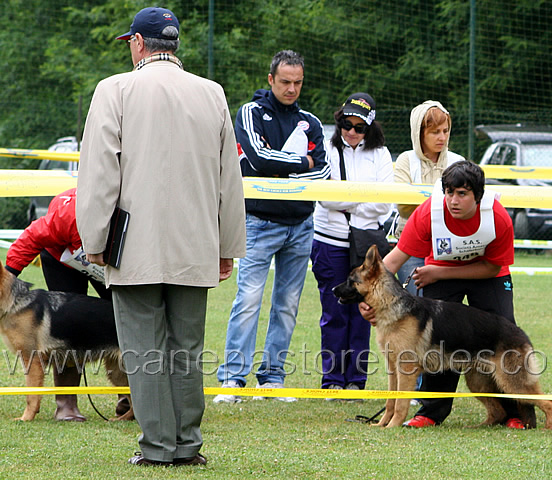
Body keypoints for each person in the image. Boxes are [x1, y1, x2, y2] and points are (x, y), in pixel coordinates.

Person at [76, 7, 246, 466]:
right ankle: (188, 446)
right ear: (172, 44)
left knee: (144, 350)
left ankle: (157, 448)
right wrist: (228, 246)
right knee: (186, 349)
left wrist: (93, 239)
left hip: (133, 247)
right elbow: (229, 178)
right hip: (196, 246)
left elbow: (98, 175)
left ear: (137, 43)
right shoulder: (211, 93)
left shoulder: (114, 90)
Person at [360, 161, 527, 429]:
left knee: (501, 332)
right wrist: (367, 298)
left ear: (478, 196)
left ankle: (514, 412)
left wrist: (439, 273)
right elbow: (392, 261)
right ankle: (431, 411)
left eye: (462, 193)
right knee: (437, 337)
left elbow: (492, 266)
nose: (453, 200)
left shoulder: (498, 218)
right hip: (438, 271)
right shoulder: (428, 213)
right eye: (449, 192)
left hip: (486, 275)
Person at [213, 50, 330, 404]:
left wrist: (280, 168)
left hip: (301, 224)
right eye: (285, 82)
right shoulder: (250, 112)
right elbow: (257, 158)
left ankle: (273, 378)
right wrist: (300, 162)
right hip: (258, 222)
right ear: (270, 80)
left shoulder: (312, 121)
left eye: (297, 82)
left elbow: (322, 170)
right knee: (248, 300)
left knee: (288, 305)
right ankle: (232, 379)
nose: (291, 89)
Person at [5, 187, 116, 422]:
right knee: (67, 326)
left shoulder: (124, 217)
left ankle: (131, 400)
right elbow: (26, 242)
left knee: (122, 316)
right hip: (61, 259)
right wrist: (7, 286)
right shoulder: (65, 217)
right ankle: (66, 406)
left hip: (108, 264)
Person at [310, 93, 393, 397]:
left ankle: (356, 382)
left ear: (370, 128)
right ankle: (332, 380)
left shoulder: (382, 154)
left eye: (359, 127)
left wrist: (348, 201)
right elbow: (324, 195)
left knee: (363, 313)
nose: (351, 132)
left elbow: (384, 203)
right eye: (346, 124)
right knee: (333, 312)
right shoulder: (327, 148)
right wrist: (364, 196)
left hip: (365, 245)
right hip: (329, 241)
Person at [393, 100, 465, 295]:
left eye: (445, 130)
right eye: (435, 132)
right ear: (419, 133)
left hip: (450, 248)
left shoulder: (458, 162)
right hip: (411, 247)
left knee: (447, 309)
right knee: (417, 308)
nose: (442, 137)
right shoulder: (406, 160)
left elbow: (467, 208)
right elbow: (403, 206)